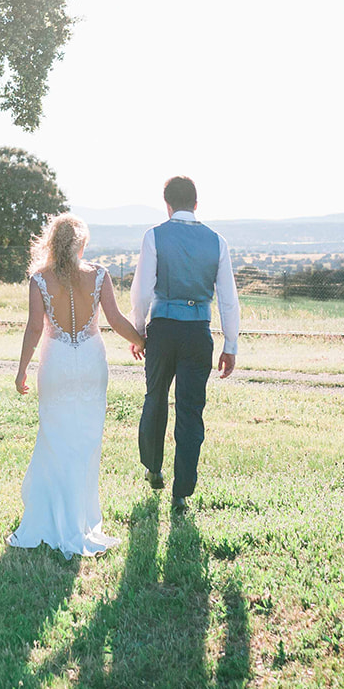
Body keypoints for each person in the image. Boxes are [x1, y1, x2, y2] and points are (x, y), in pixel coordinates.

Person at [10, 213, 147, 556]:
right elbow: (115, 320)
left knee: (55, 437)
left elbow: (35, 329)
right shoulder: (99, 275)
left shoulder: (39, 280)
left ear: (52, 243)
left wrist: (22, 369)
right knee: (86, 441)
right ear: (81, 244)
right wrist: (143, 341)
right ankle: (80, 519)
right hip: (89, 361)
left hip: (56, 362)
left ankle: (53, 517)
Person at [130, 176, 241, 511]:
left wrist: (138, 331)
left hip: (162, 330)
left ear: (167, 204)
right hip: (197, 333)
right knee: (191, 410)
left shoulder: (154, 236)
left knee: (155, 398)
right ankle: (182, 491)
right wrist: (230, 344)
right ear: (196, 203)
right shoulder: (217, 241)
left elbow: (142, 291)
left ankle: (153, 467)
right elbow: (228, 299)